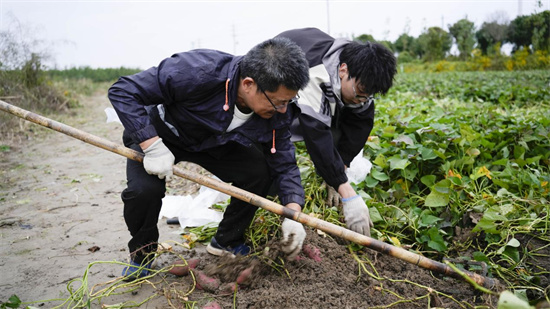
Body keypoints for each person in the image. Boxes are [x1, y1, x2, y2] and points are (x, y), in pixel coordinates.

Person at [108, 37, 310, 280]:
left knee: (259, 173)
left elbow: (285, 165)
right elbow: (123, 91)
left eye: (289, 101)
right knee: (143, 191)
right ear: (248, 84)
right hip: (161, 135)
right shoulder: (196, 70)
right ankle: (143, 254)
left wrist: (292, 214)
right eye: (278, 102)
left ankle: (227, 241)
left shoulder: (277, 112)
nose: (283, 110)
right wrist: (151, 144)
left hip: (215, 142)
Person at [275, 28, 397, 237]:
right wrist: (345, 188)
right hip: (281, 65)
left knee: (346, 121)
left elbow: (360, 126)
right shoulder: (315, 74)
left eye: (368, 95)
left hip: (324, 78)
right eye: (359, 92)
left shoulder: (361, 76)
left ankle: (331, 172)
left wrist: (341, 167)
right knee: (282, 125)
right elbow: (316, 134)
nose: (362, 99)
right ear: (343, 70)